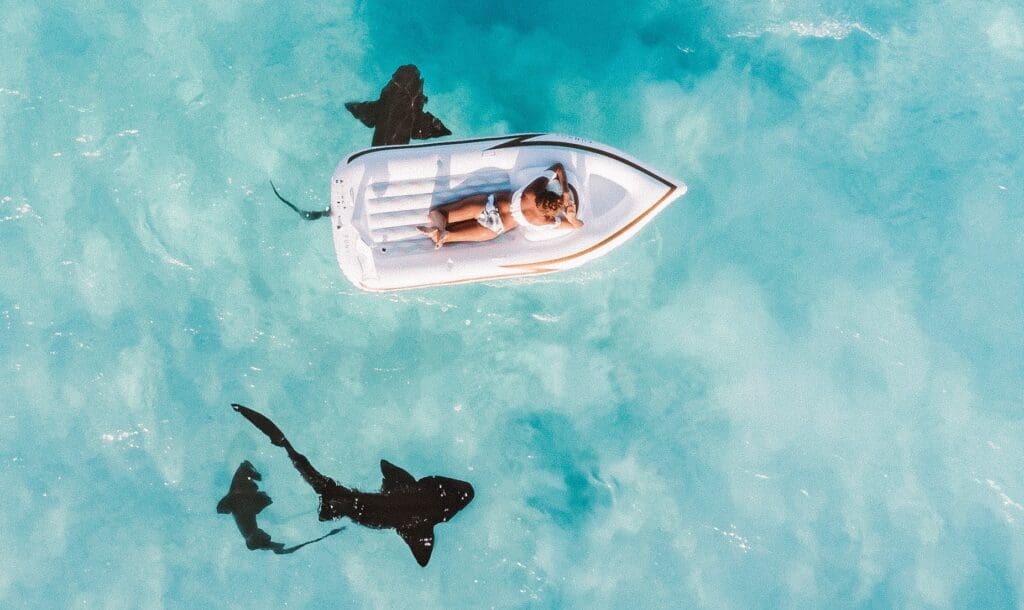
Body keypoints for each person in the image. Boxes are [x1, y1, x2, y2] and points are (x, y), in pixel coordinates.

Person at [416, 163, 583, 248]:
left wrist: (565, 192)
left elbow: (559, 168)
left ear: (546, 193)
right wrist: (572, 217)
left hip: (487, 205)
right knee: (448, 237)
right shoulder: (543, 221)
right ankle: (440, 235)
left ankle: (438, 226)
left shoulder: (532, 190)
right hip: (495, 228)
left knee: (438, 213)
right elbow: (577, 227)